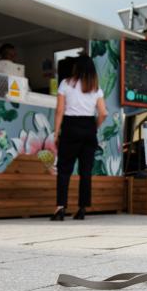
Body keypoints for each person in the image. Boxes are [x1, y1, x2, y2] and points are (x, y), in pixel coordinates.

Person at [51, 55, 107, 221]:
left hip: (70, 127)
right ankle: (82, 209)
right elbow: (103, 113)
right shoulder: (96, 89)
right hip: (89, 128)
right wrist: (94, 127)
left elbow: (60, 110)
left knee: (64, 170)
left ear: (76, 68)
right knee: (85, 171)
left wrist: (56, 132)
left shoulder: (65, 84)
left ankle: (60, 208)